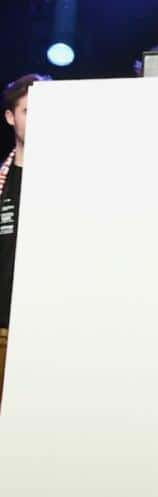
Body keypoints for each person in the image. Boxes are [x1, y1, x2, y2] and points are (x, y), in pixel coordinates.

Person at [0, 74, 49, 406]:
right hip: (4, 324)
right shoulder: (2, 179)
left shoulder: (67, 181)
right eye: (29, 111)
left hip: (43, 326)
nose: (38, 119)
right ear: (11, 117)